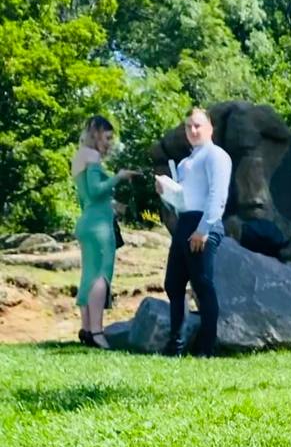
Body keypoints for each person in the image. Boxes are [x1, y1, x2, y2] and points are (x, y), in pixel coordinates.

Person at [153, 107, 232, 357]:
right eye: (188, 126)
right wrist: (166, 193)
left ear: (210, 128)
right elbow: (184, 201)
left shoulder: (216, 155)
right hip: (185, 222)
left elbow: (217, 195)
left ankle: (206, 348)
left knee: (202, 284)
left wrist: (204, 229)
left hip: (204, 224)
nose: (193, 130)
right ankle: (175, 344)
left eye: (198, 125)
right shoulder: (187, 162)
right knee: (173, 284)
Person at [71, 117, 137, 349]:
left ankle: (87, 330)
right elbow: (97, 190)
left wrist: (113, 204)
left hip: (87, 221)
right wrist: (118, 177)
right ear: (97, 134)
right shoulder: (93, 156)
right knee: (101, 275)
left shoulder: (79, 156)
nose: (109, 143)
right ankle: (98, 332)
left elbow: (86, 197)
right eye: (107, 137)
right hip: (99, 226)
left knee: (88, 275)